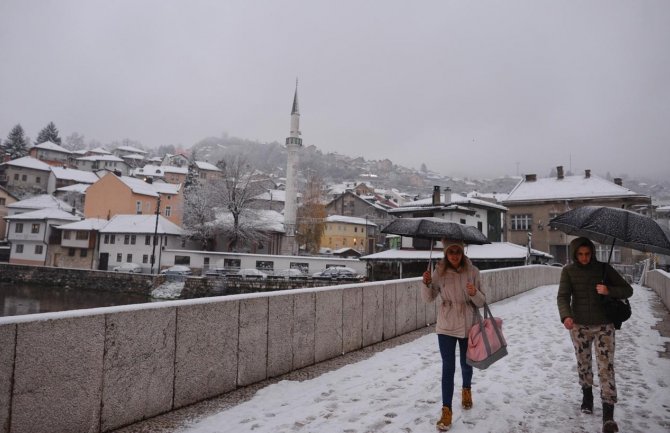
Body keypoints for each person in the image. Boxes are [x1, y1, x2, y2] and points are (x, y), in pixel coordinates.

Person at [557, 237, 633, 433]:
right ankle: (587, 396)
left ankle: (608, 414)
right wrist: (566, 316)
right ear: (575, 254)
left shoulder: (604, 269)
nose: (584, 258)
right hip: (579, 326)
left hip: (604, 326)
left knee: (606, 367)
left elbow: (628, 290)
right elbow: (563, 296)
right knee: (583, 363)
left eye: (587, 254)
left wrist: (609, 290)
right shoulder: (568, 271)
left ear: (592, 252)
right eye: (580, 254)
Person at [422, 238, 486, 431]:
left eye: (458, 251)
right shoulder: (439, 271)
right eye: (451, 252)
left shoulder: (473, 271)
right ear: (446, 253)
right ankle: (446, 410)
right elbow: (429, 299)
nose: (455, 255)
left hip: (468, 324)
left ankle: (466, 389)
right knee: (447, 368)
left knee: (466, 364)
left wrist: (474, 292)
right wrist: (426, 284)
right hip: (446, 325)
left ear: (463, 251)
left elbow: (482, 301)